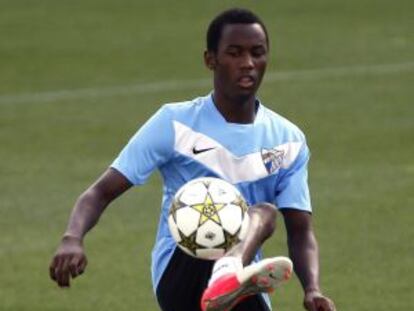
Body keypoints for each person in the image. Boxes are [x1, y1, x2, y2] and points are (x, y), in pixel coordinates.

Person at [49, 8, 336, 311]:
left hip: (244, 285)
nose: (248, 63)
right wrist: (72, 237)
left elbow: (301, 229)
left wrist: (313, 290)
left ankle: (229, 279)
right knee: (261, 212)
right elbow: (100, 192)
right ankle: (227, 273)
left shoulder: (288, 140)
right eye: (235, 53)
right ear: (210, 59)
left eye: (257, 53)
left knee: (265, 214)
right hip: (182, 268)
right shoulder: (174, 123)